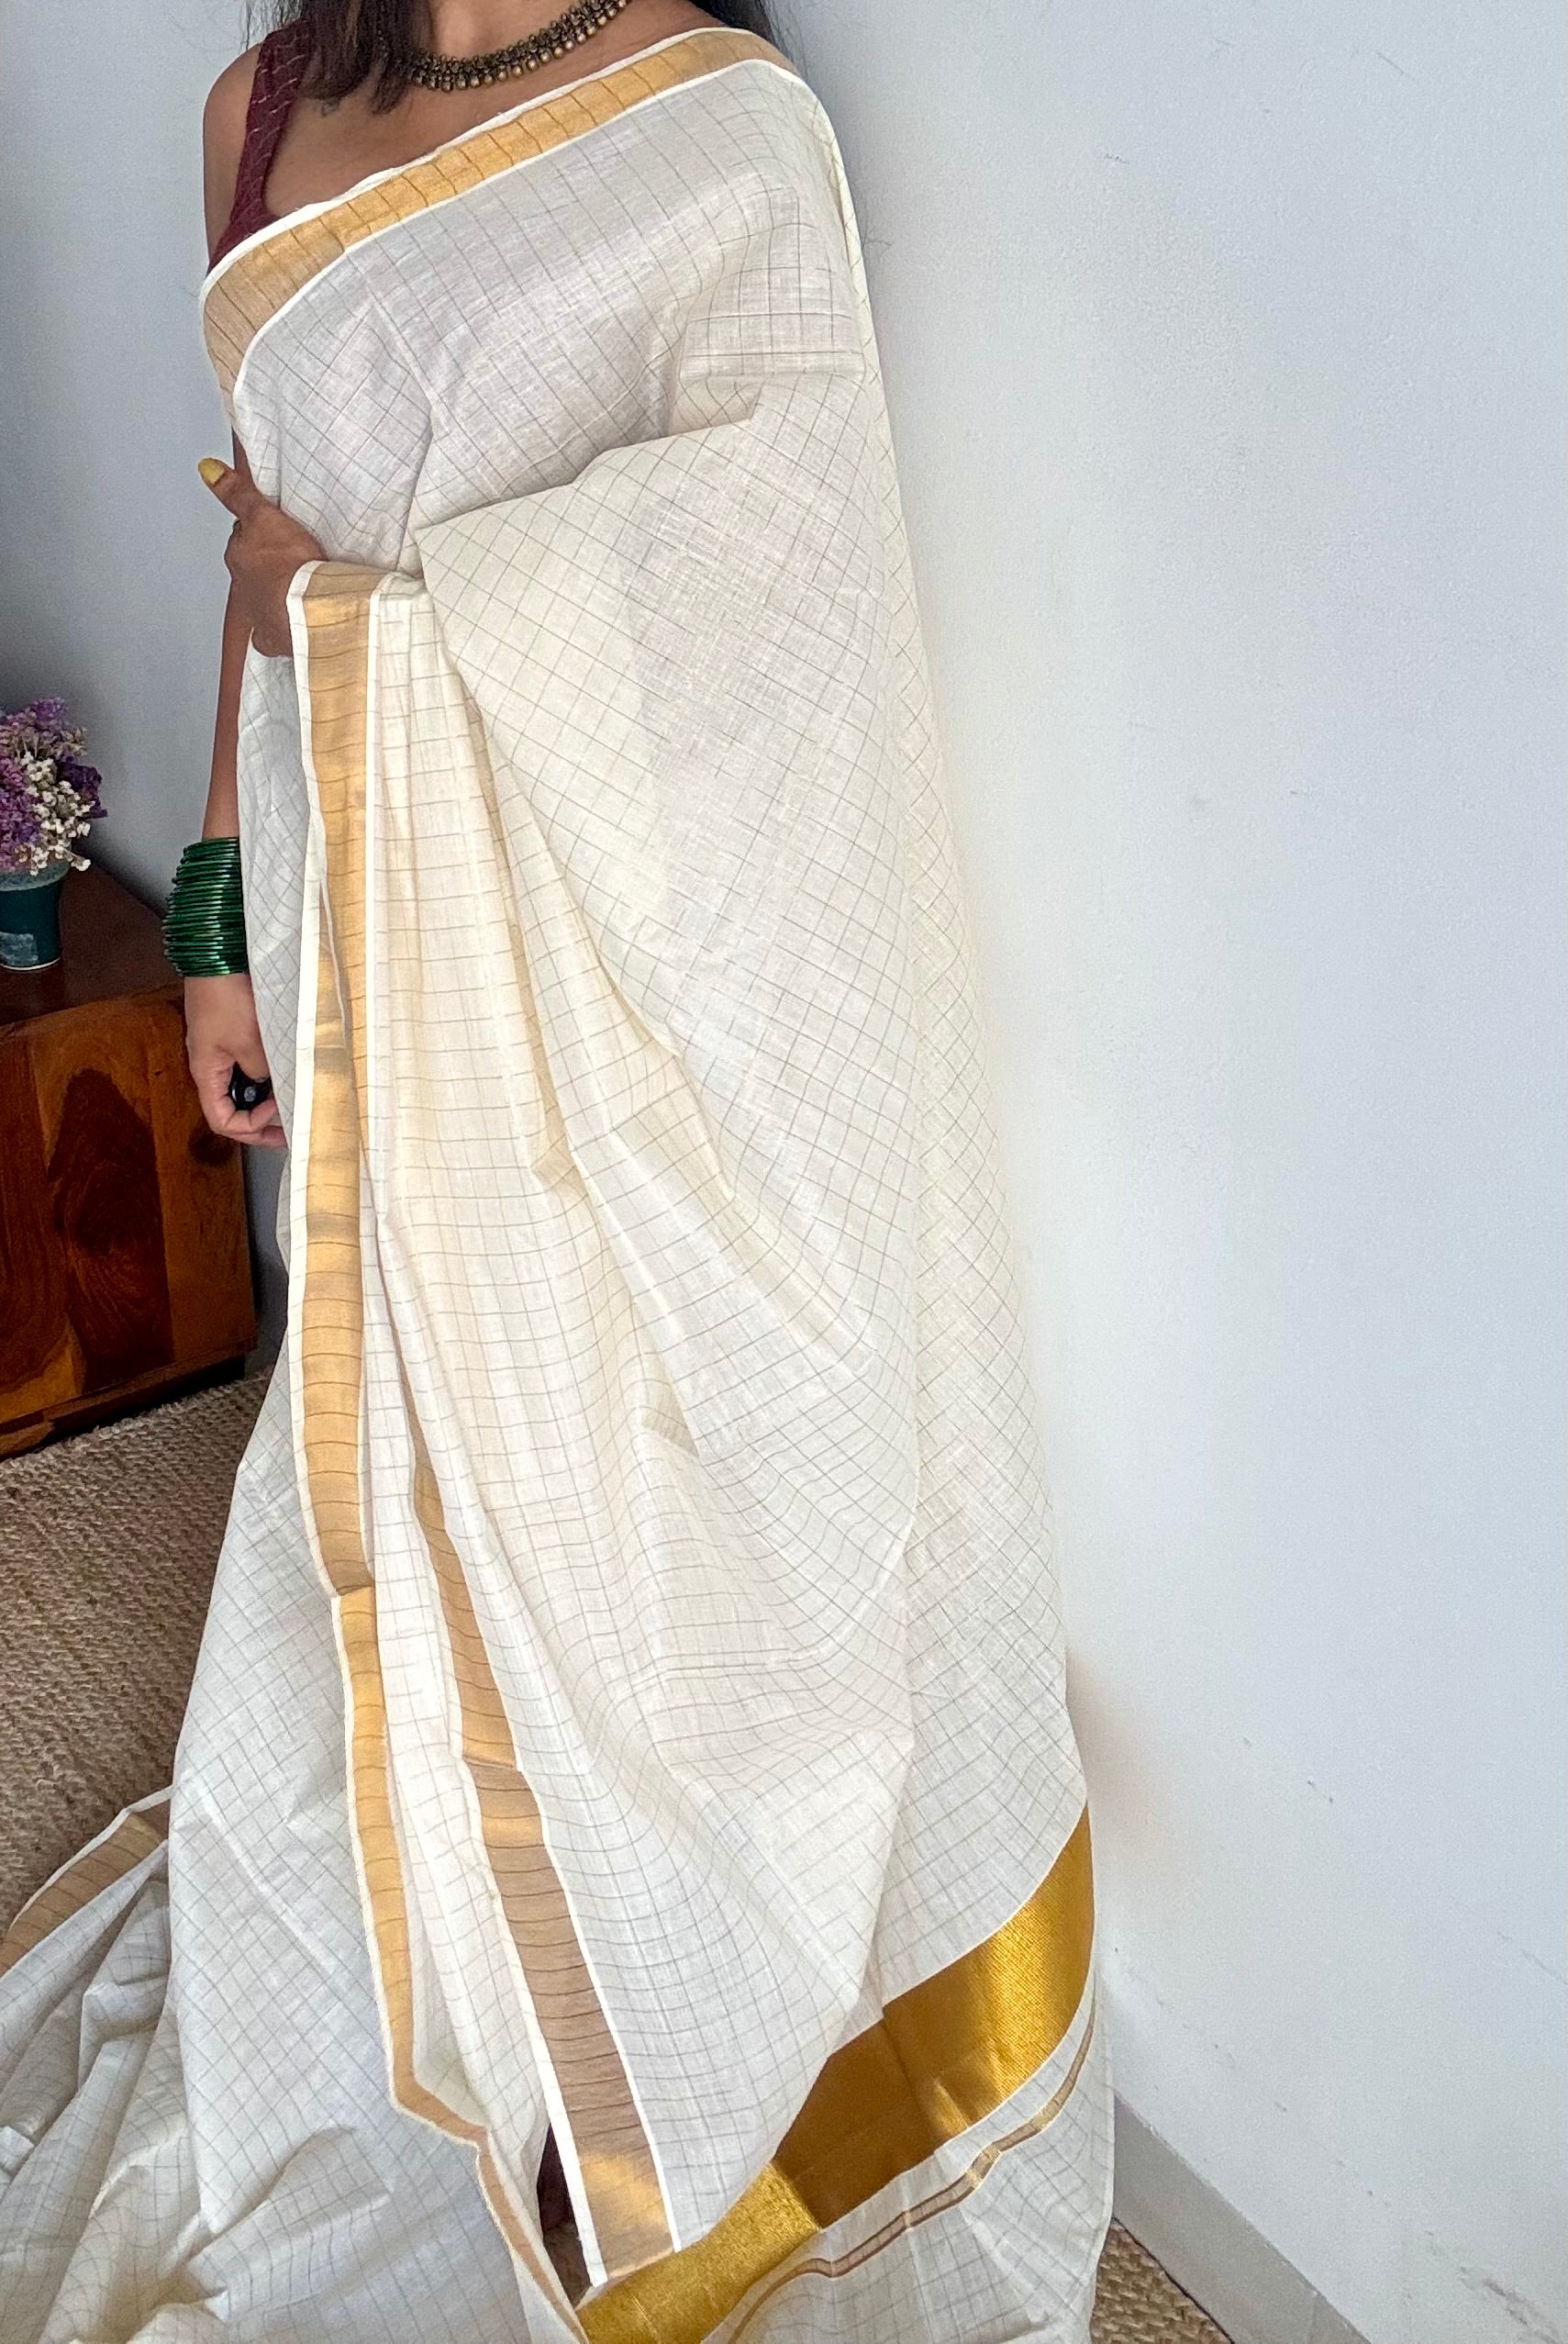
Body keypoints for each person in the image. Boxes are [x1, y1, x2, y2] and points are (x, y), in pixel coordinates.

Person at [0, 6, 1114, 2338]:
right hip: (368, 930)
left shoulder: (718, 130)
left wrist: (357, 625)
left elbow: (778, 618)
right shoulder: (258, 115)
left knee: (653, 1500)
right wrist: (214, 912)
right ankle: (442, 1954)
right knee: (417, 1463)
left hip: (636, 989)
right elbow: (261, 551)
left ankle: (684, 2038)